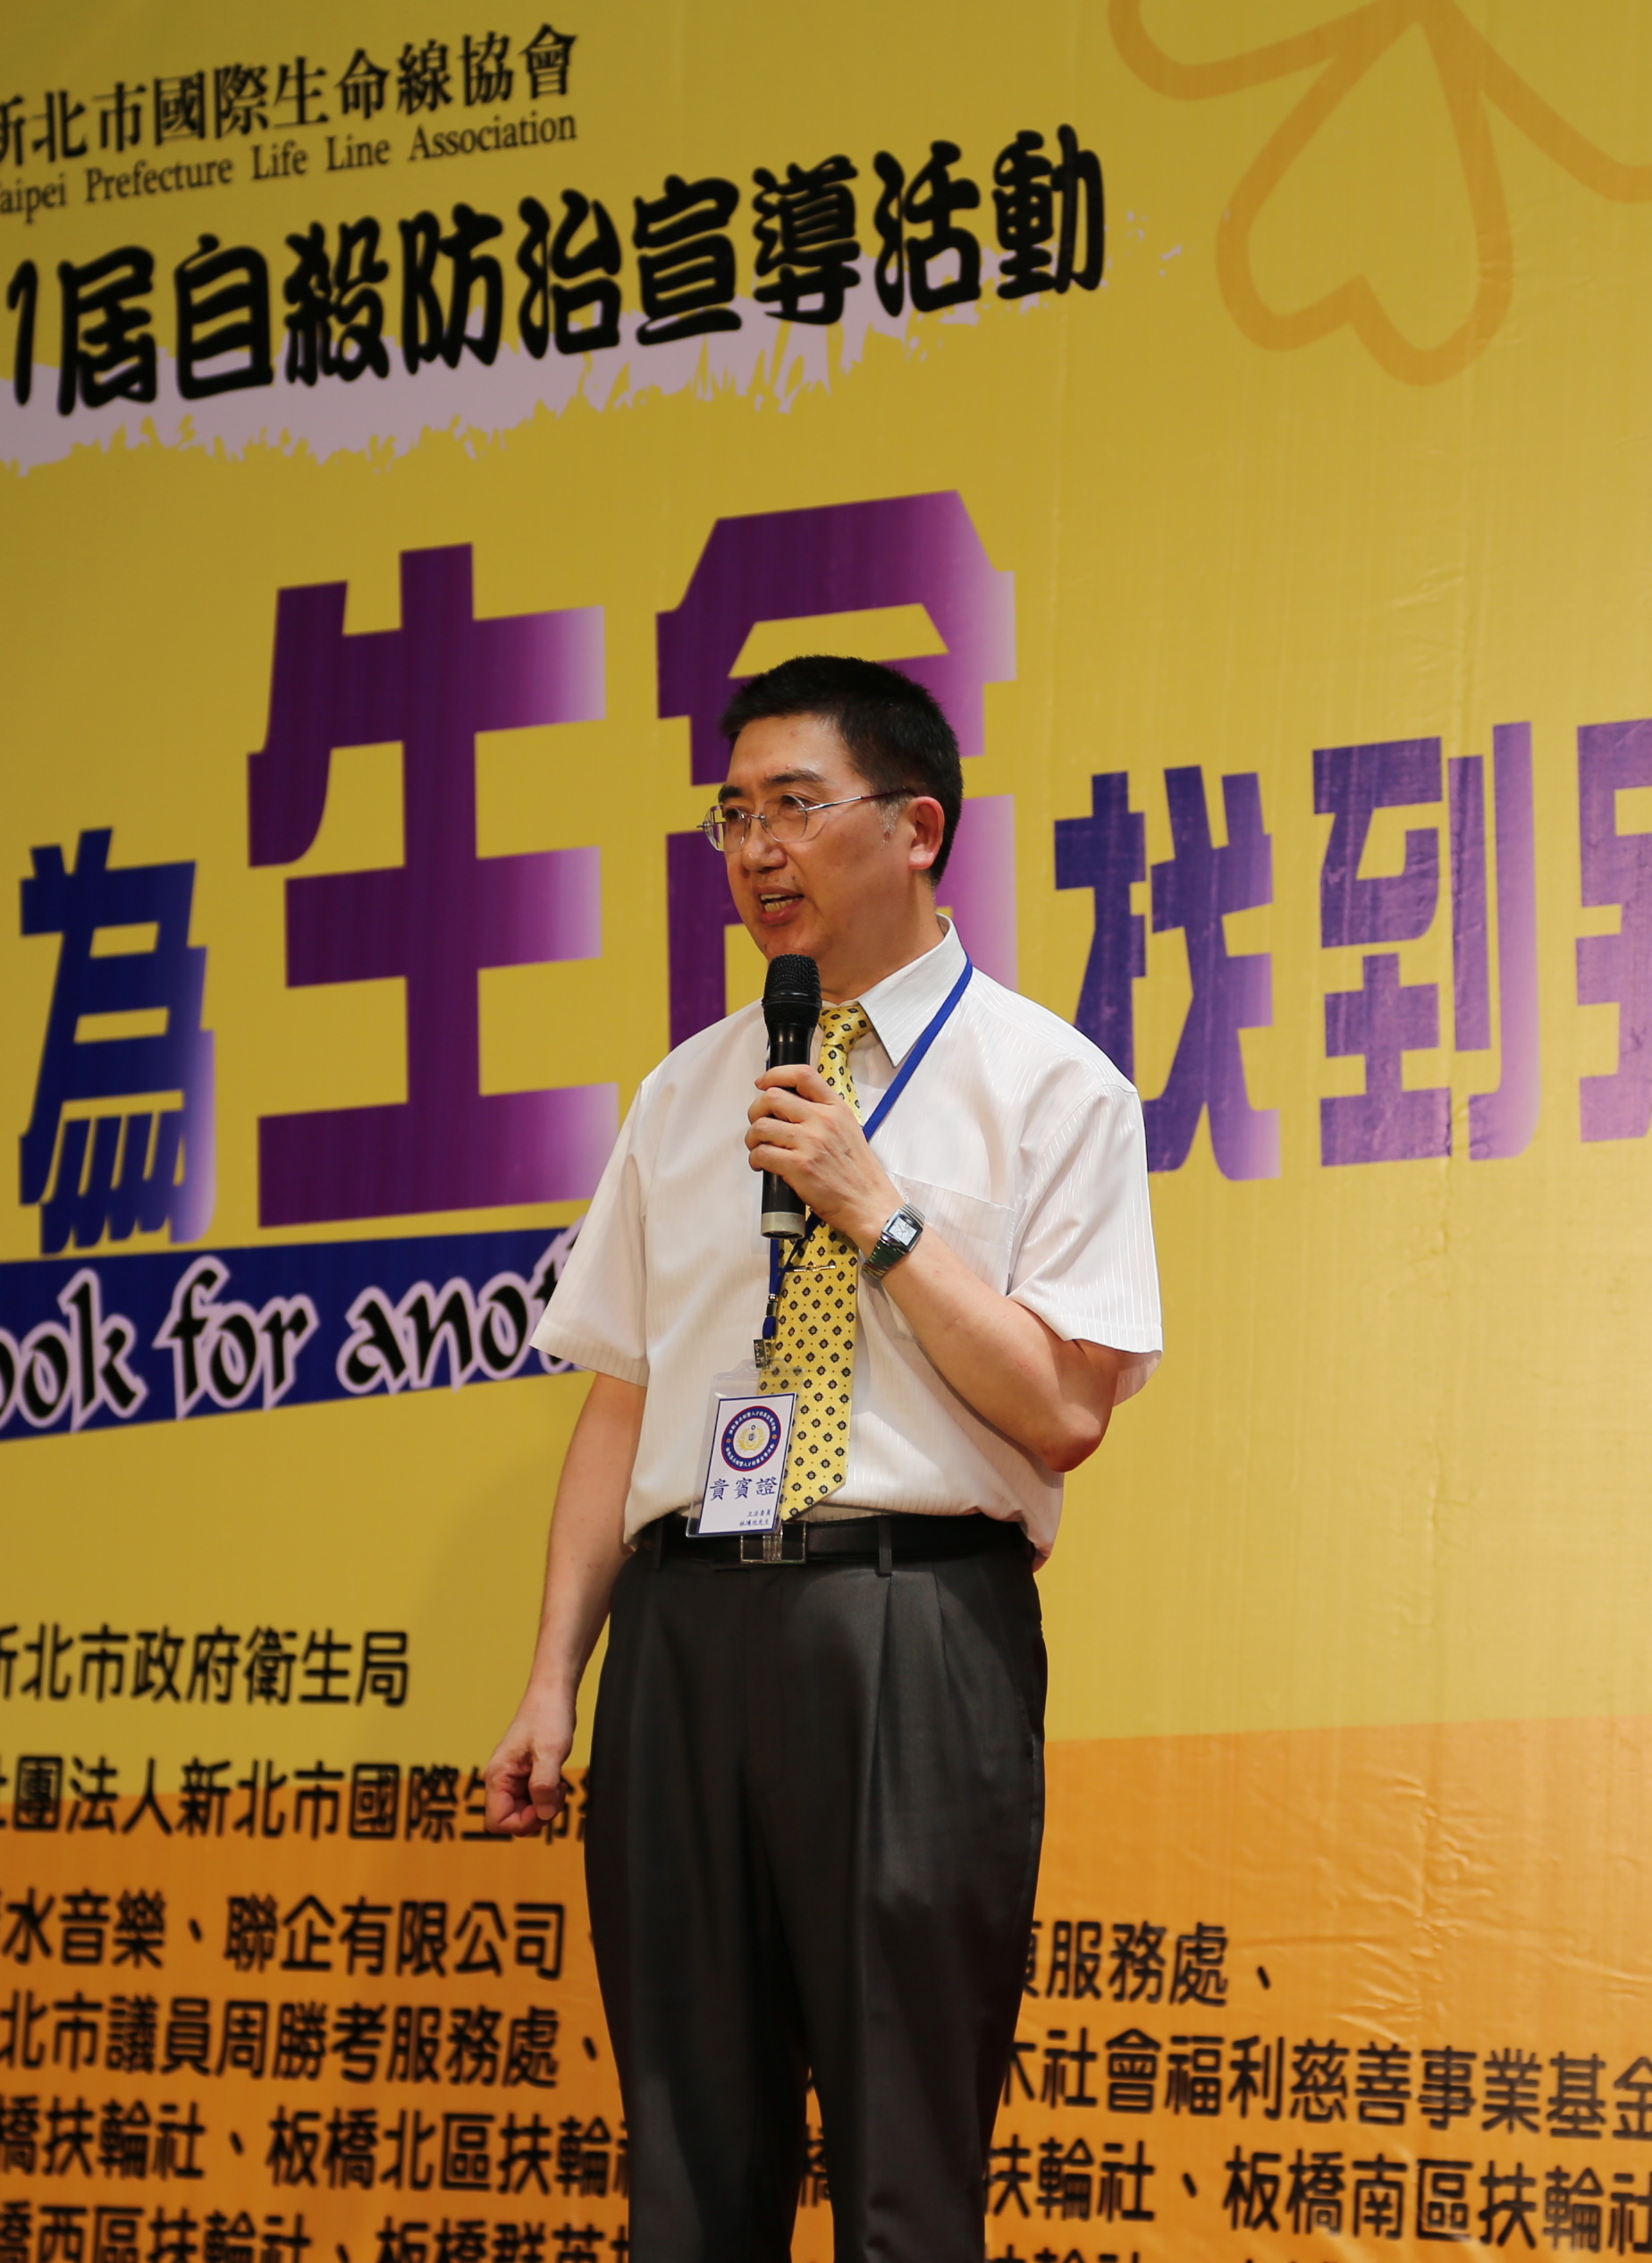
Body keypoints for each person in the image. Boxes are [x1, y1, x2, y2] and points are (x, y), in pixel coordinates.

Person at [483, 654, 1162, 2263]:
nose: (756, 850)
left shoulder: (1048, 1082)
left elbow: (1065, 1410)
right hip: (682, 1632)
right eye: (731, 816)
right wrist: (554, 1678)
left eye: (794, 805)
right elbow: (623, 1400)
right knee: (686, 2160)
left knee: (904, 2163)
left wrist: (880, 1212)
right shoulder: (684, 1091)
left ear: (916, 829)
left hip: (907, 1623)